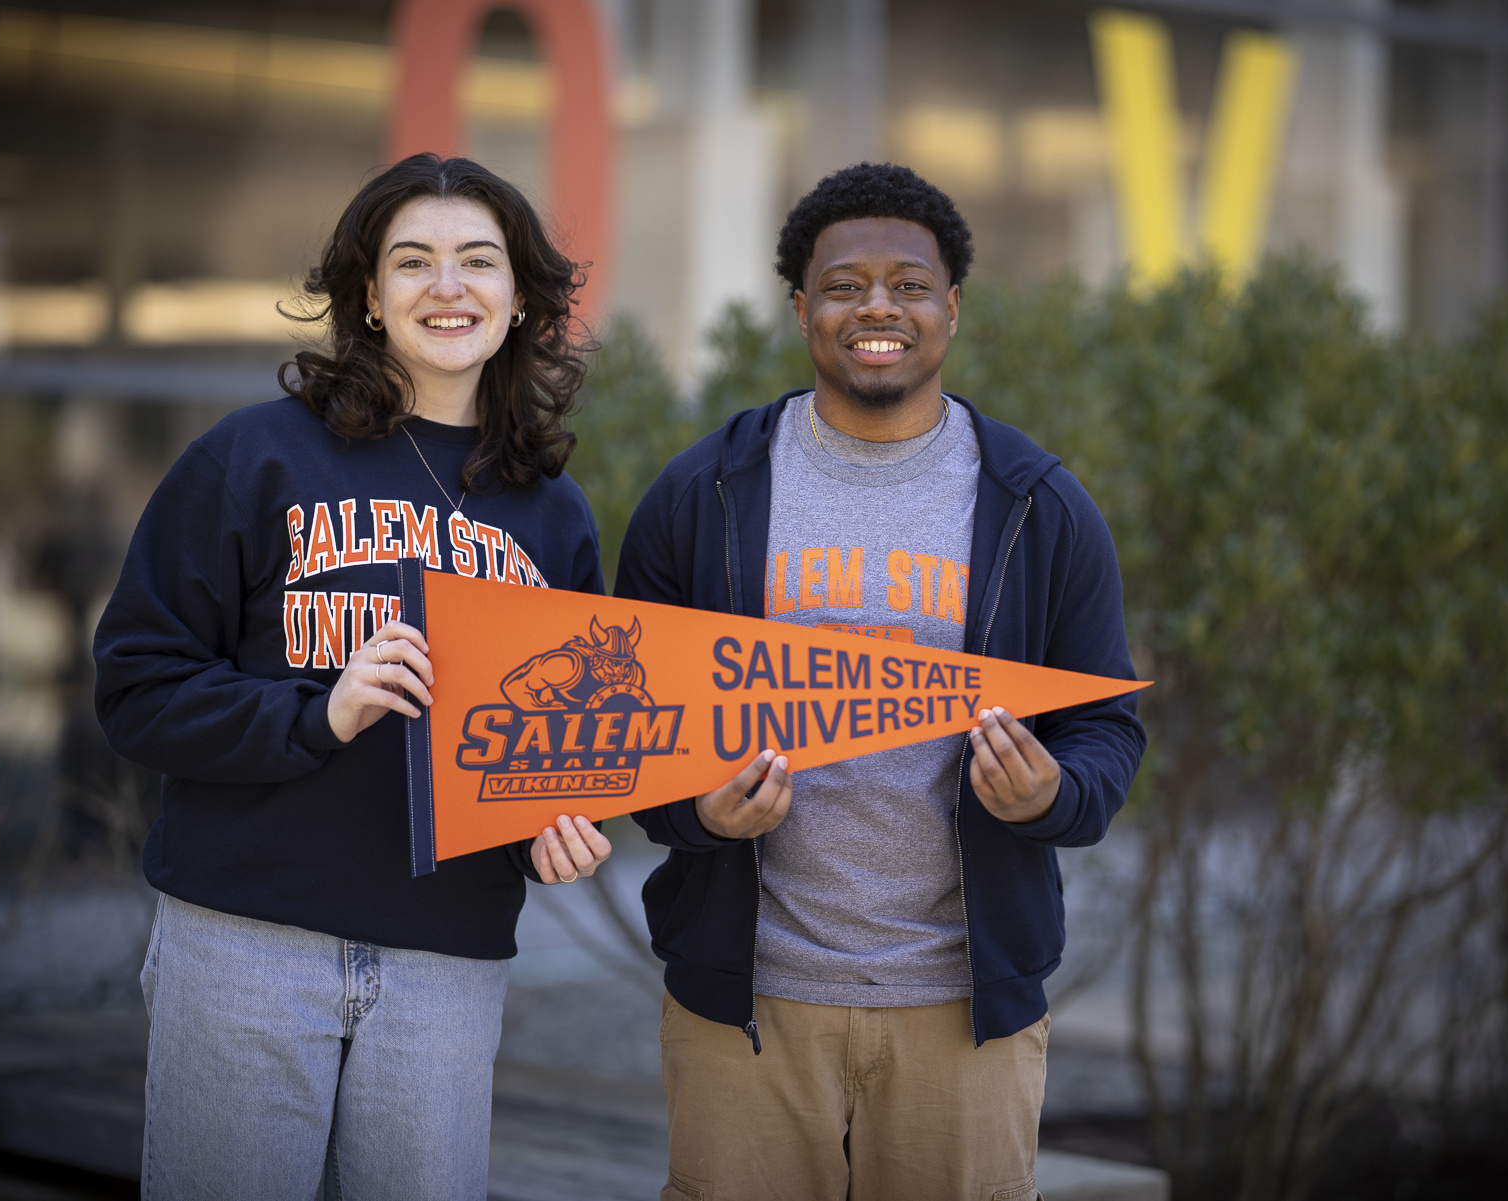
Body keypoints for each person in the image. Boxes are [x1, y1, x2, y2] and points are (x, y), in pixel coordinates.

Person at [615, 162, 1147, 1201]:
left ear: (951, 307)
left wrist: (1052, 796)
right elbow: (627, 735)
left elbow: (1107, 730)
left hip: (965, 1008)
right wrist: (698, 810)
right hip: (750, 1005)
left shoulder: (1040, 506)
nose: (878, 307)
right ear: (801, 307)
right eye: (846, 283)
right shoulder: (701, 496)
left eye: (909, 284)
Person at [93, 153, 613, 1201]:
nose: (448, 286)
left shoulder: (553, 516)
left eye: (479, 261)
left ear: (520, 300)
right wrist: (318, 711)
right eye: (412, 261)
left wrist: (555, 823)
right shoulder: (253, 459)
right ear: (370, 296)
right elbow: (135, 686)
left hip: (446, 960)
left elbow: (550, 749)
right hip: (248, 944)